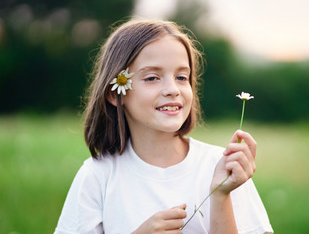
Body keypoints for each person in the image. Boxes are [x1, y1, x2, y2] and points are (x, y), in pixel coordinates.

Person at [54, 18, 273, 234]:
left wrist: (220, 196)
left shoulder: (223, 168)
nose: (172, 89)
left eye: (181, 77)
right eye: (152, 78)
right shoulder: (97, 177)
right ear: (115, 92)